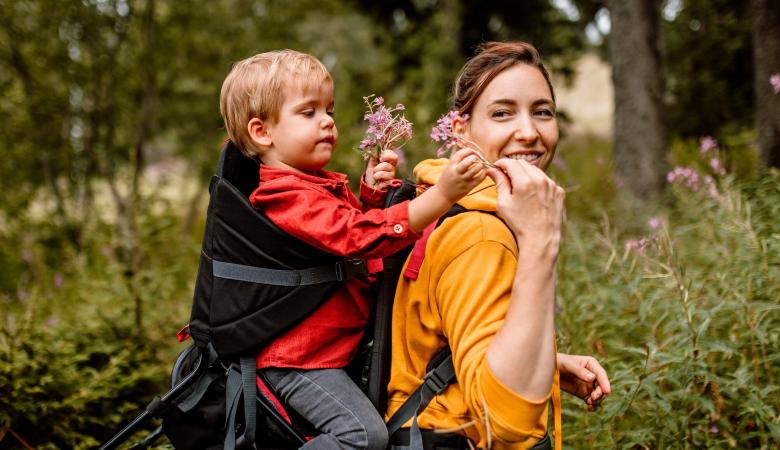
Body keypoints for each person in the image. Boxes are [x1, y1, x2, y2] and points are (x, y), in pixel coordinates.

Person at [218, 49, 485, 450]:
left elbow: (339, 241)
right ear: (262, 132)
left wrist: (373, 198)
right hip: (298, 362)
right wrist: (442, 195)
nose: (327, 122)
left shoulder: (312, 185)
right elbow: (354, 238)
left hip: (328, 352)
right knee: (362, 434)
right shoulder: (283, 195)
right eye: (308, 113)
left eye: (329, 110)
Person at [385, 42, 612, 449]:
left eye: (542, 111)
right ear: (461, 130)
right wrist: (542, 241)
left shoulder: (436, 200)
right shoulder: (482, 234)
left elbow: (442, 336)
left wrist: (546, 366)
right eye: (502, 113)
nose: (528, 131)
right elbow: (505, 423)